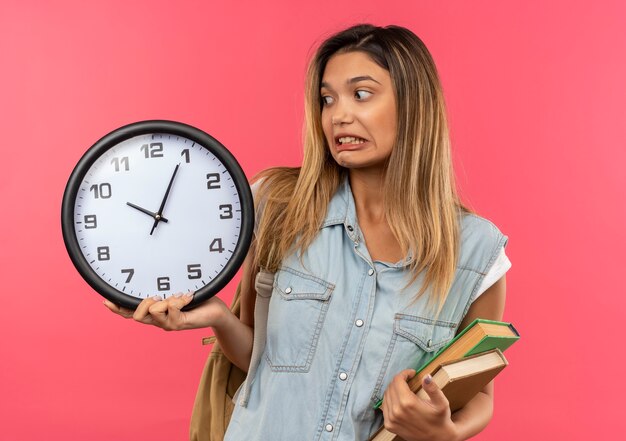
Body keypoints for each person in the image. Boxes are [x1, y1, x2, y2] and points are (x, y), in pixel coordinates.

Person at [105, 24, 511, 441]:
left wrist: (447, 433)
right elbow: (258, 360)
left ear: (415, 106)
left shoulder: (477, 254)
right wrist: (220, 318)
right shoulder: (279, 205)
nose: (339, 115)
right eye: (327, 99)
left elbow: (479, 391)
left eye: (362, 94)